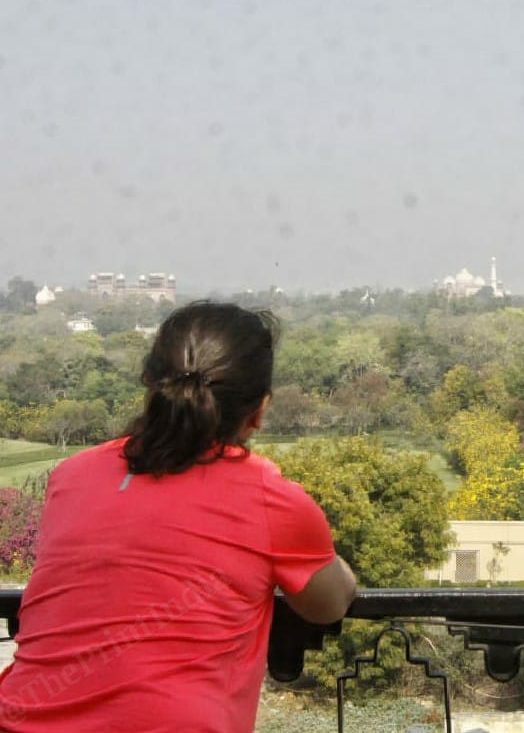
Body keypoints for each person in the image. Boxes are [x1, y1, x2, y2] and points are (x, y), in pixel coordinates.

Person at [0, 301, 357, 731]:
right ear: (259, 411)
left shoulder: (71, 476)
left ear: (151, 385)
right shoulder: (271, 499)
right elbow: (328, 604)